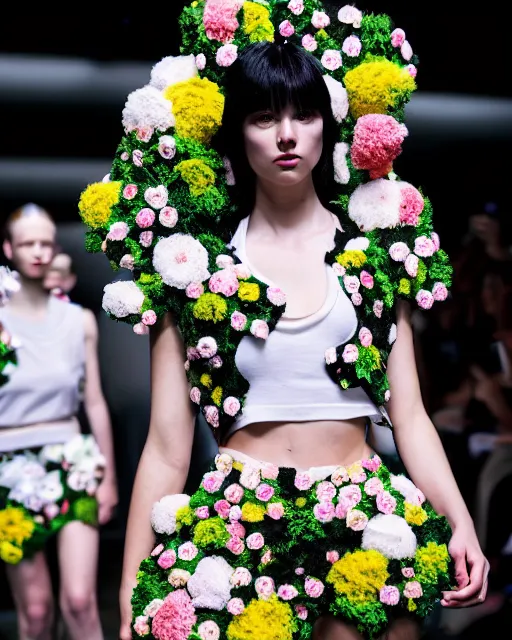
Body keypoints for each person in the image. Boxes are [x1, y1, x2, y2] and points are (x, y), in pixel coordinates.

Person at [78, 3, 489, 639]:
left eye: (303, 114)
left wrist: (460, 518)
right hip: (238, 521)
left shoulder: (376, 255)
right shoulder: (193, 272)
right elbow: (166, 443)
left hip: (366, 514)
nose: (287, 134)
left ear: (328, 127)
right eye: (264, 117)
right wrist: (133, 581)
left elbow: (408, 415)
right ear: (238, 134)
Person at [0, 203, 118, 640]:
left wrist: (107, 478)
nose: (37, 251)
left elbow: (96, 402)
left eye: (45, 243)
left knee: (81, 601)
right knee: (34, 610)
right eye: (27, 243)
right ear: (9, 248)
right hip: (9, 466)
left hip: (73, 460)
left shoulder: (79, 320)